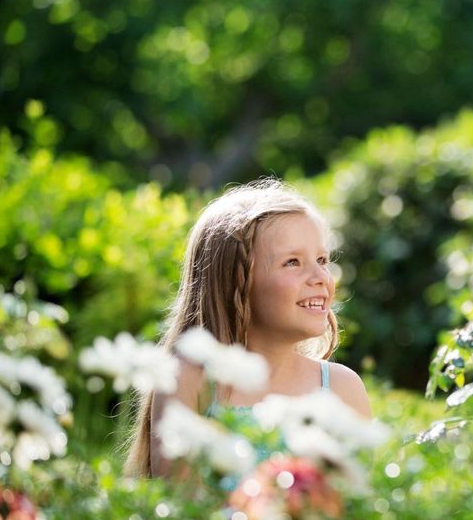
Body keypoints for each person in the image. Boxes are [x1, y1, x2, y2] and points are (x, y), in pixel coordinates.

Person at [125, 179, 371, 478]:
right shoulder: (190, 380)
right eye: (292, 262)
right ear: (236, 283)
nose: (320, 276)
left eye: (322, 259)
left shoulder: (342, 388)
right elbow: (181, 504)